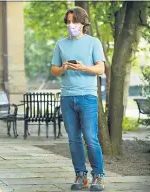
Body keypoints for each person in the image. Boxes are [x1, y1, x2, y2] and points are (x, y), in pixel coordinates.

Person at [50, 7, 105, 191]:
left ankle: (98, 176)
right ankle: (81, 176)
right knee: (74, 139)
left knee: (90, 137)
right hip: (67, 97)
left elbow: (100, 69)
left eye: (74, 21)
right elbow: (54, 70)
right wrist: (64, 68)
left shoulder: (93, 42)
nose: (71, 25)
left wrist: (82, 68)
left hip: (88, 97)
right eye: (68, 22)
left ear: (83, 23)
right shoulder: (60, 44)